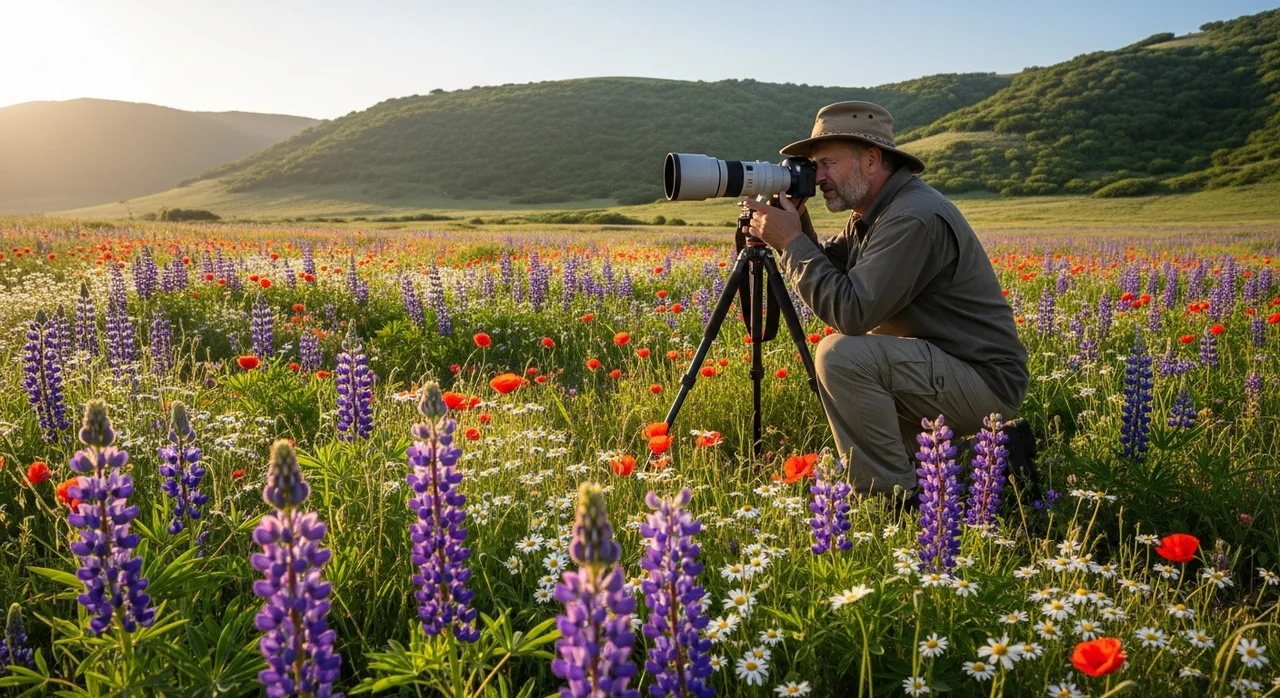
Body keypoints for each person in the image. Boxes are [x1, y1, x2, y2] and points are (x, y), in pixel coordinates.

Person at [742, 101, 1030, 503]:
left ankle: (891, 501)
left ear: (873, 160)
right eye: (814, 166)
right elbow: (837, 266)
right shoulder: (875, 212)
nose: (816, 176)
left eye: (827, 163)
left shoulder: (912, 216)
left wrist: (791, 244)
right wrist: (799, 226)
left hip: (983, 380)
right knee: (852, 369)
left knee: (841, 355)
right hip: (943, 364)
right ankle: (979, 460)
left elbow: (852, 312)